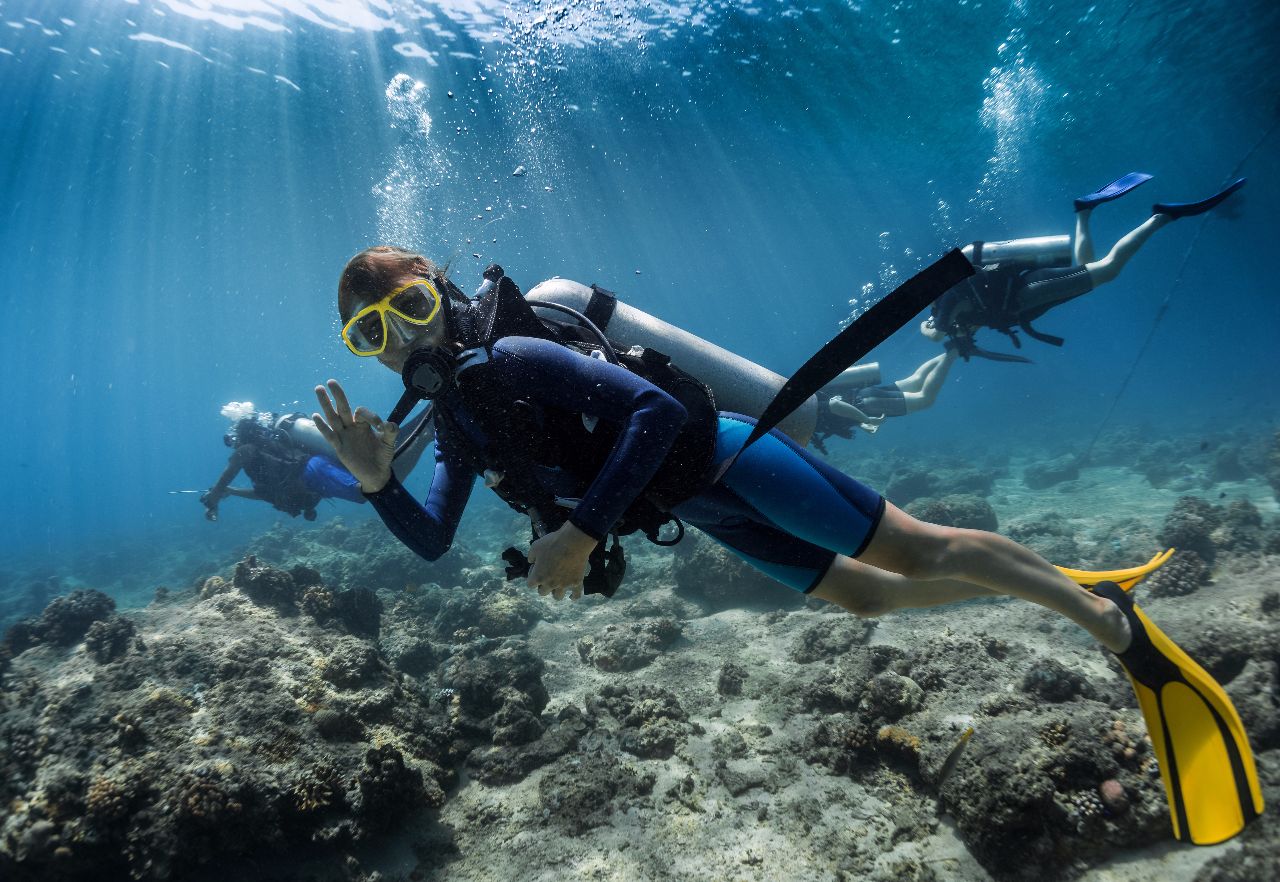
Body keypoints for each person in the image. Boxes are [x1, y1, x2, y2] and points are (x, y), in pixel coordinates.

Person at [312, 245, 1260, 845]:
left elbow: (647, 410)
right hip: (700, 504)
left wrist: (580, 532)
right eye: (371, 334)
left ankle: (1105, 618)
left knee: (917, 555)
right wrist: (377, 482)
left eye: (412, 311)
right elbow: (432, 540)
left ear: (443, 297)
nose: (400, 341)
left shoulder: (514, 356)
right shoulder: (460, 427)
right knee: (869, 598)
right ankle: (1039, 585)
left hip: (725, 457)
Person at [923, 173, 1247, 357]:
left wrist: (941, 326)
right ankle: (1084, 212)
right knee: (1091, 265)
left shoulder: (945, 307)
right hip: (1027, 297)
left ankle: (1162, 217)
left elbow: (938, 332)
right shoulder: (947, 306)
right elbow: (953, 322)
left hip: (1028, 292)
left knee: (1108, 270)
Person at [201, 404, 366, 522]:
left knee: (367, 490)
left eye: (235, 439)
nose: (234, 444)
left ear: (242, 434)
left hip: (313, 471)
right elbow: (264, 493)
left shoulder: (247, 450)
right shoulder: (261, 456)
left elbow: (231, 469)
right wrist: (232, 491)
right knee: (368, 488)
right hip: (314, 476)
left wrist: (214, 497)